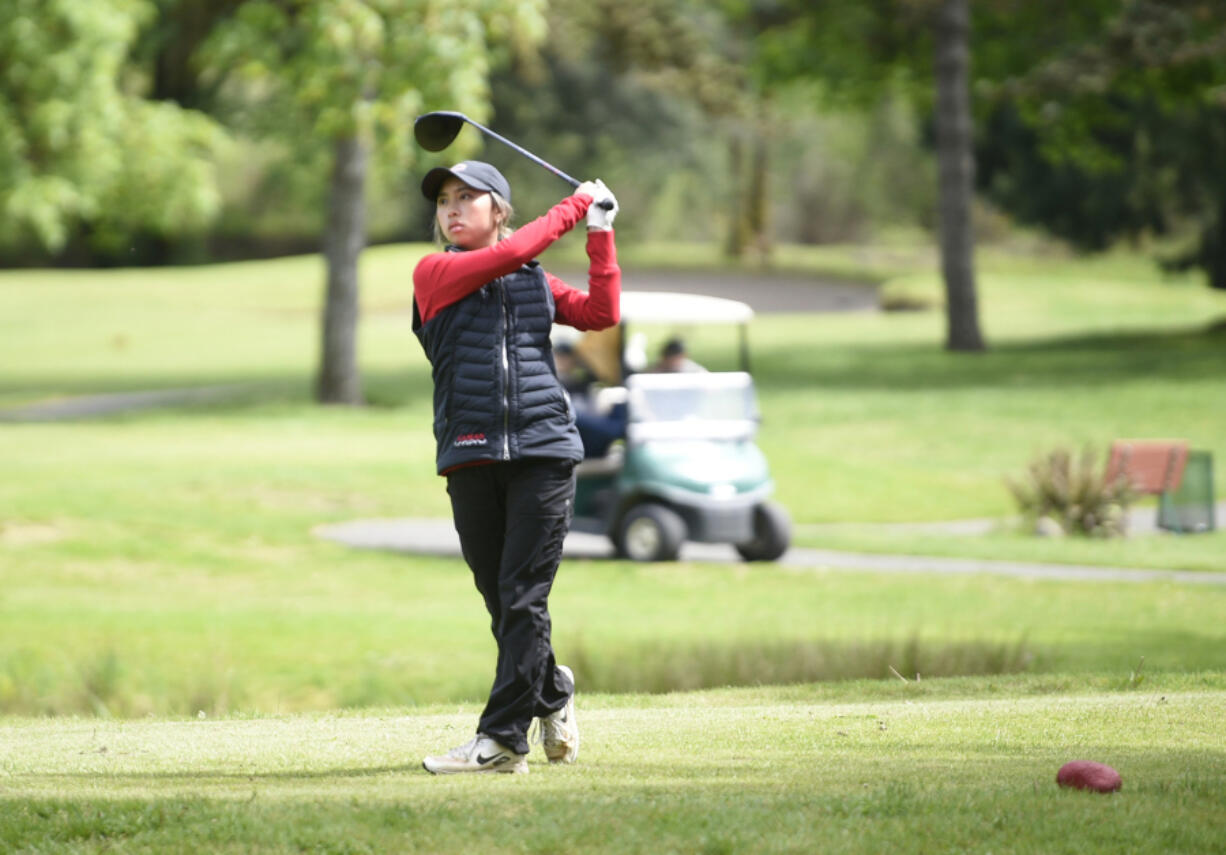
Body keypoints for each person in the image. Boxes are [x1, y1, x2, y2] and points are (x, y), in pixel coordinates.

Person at [411, 160, 620, 775]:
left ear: (498, 209)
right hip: (471, 452)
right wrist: (573, 206)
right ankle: (553, 691)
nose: (451, 209)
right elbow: (514, 252)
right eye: (445, 200)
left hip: (544, 450)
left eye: (467, 198)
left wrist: (601, 233)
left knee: (523, 597)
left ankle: (502, 741)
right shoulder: (436, 273)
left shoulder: (534, 280)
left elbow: (600, 312)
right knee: (503, 603)